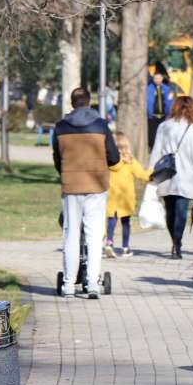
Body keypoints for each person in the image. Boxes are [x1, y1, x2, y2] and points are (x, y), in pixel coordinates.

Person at [53, 87, 121, 299]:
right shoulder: (101, 125)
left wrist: (66, 171)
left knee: (71, 234)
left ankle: (68, 284)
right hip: (96, 185)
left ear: (72, 103)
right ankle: (92, 283)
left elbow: (57, 158)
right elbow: (114, 157)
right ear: (89, 102)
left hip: (71, 185)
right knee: (94, 235)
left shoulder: (60, 127)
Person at [150, 95, 193, 259]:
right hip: (186, 175)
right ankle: (177, 243)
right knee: (181, 211)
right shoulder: (192, 129)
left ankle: (174, 240)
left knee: (170, 210)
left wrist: (151, 171)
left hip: (166, 174)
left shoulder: (164, 126)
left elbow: (156, 150)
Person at [104, 132, 153, 259]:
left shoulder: (108, 161)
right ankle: (125, 248)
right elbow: (142, 175)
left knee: (111, 221)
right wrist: (153, 172)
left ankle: (109, 242)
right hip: (125, 198)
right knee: (125, 223)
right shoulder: (130, 161)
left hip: (112, 196)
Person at [146, 71, 174, 148]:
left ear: (162, 78)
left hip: (163, 115)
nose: (157, 80)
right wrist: (149, 113)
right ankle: (152, 147)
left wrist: (168, 112)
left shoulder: (167, 89)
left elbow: (169, 101)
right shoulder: (149, 89)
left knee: (162, 133)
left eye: (159, 78)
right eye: (155, 78)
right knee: (152, 134)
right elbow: (148, 102)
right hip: (152, 116)